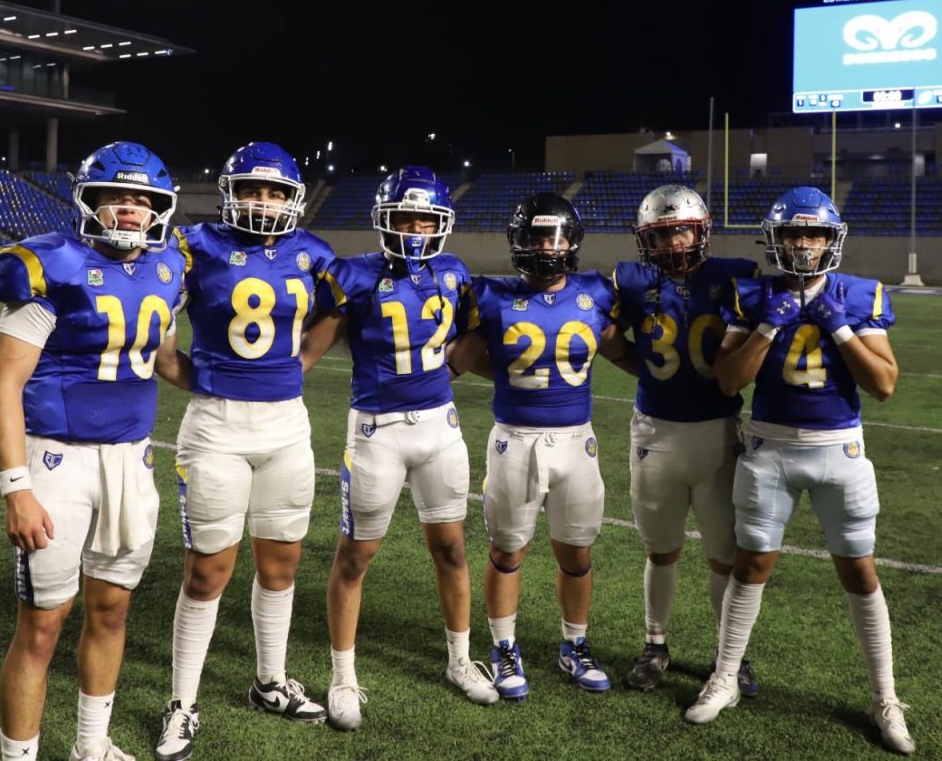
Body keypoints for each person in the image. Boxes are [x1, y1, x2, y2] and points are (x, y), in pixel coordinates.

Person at [683, 186, 914, 756]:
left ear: (832, 239)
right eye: (793, 232)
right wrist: (766, 327)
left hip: (841, 451)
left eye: (814, 233)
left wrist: (840, 327)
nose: (804, 243)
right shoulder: (752, 295)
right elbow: (729, 381)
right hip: (771, 450)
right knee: (751, 565)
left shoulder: (856, 295)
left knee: (860, 572)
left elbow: (883, 384)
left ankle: (885, 697)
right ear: (776, 238)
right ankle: (726, 677)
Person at [0, 141, 187, 761]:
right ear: (88, 201)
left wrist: (239, 379)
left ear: (159, 209)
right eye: (115, 197)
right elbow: (4, 385)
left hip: (131, 463)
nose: (129, 209)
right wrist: (16, 488)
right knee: (42, 626)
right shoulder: (53, 264)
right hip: (57, 464)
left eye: (141, 200)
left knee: (111, 613)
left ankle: (91, 746)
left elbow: (165, 358)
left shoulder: (167, 269)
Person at [299, 166, 499, 731]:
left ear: (441, 224)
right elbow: (309, 346)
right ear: (385, 221)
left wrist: (453, 372)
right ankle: (343, 677)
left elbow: (471, 335)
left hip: (440, 427)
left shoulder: (454, 273)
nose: (415, 229)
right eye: (405, 219)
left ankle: (460, 660)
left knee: (452, 549)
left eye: (425, 220)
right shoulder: (354, 275)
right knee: (355, 556)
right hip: (376, 431)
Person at [154, 141, 336, 761]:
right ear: (230, 193)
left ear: (293, 199)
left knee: (280, 564)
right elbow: (156, 319)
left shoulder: (313, 254)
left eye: (275, 191)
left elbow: (338, 311)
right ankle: (182, 702)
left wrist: (302, 362)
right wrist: (184, 372)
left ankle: (269, 682)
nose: (264, 201)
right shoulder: (194, 246)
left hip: (286, 426)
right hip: (217, 426)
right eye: (253, 189)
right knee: (208, 571)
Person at [447, 192, 634, 702]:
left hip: (577, 441)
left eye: (556, 237)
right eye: (536, 237)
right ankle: (504, 647)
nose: (547, 247)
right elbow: (459, 360)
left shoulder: (596, 293)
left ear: (573, 242)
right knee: (508, 550)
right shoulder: (491, 296)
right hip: (515, 440)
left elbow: (623, 353)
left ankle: (575, 644)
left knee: (577, 551)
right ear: (517, 241)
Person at [610, 185, 762, 694]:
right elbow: (608, 338)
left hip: (717, 431)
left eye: (681, 232)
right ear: (644, 239)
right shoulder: (631, 281)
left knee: (724, 554)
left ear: (701, 231)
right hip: (655, 431)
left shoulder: (735, 276)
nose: (673, 243)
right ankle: (655, 645)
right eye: (661, 235)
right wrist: (644, 370)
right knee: (661, 551)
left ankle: (730, 656)